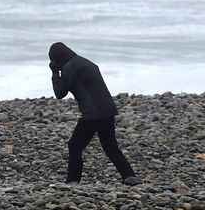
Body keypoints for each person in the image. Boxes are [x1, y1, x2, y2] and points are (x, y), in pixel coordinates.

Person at [48, 42, 141, 186]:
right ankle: (129, 176)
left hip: (92, 113)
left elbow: (60, 93)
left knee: (75, 146)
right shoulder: (84, 62)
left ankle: (73, 181)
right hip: (108, 109)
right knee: (110, 147)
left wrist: (55, 72)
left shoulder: (69, 67)